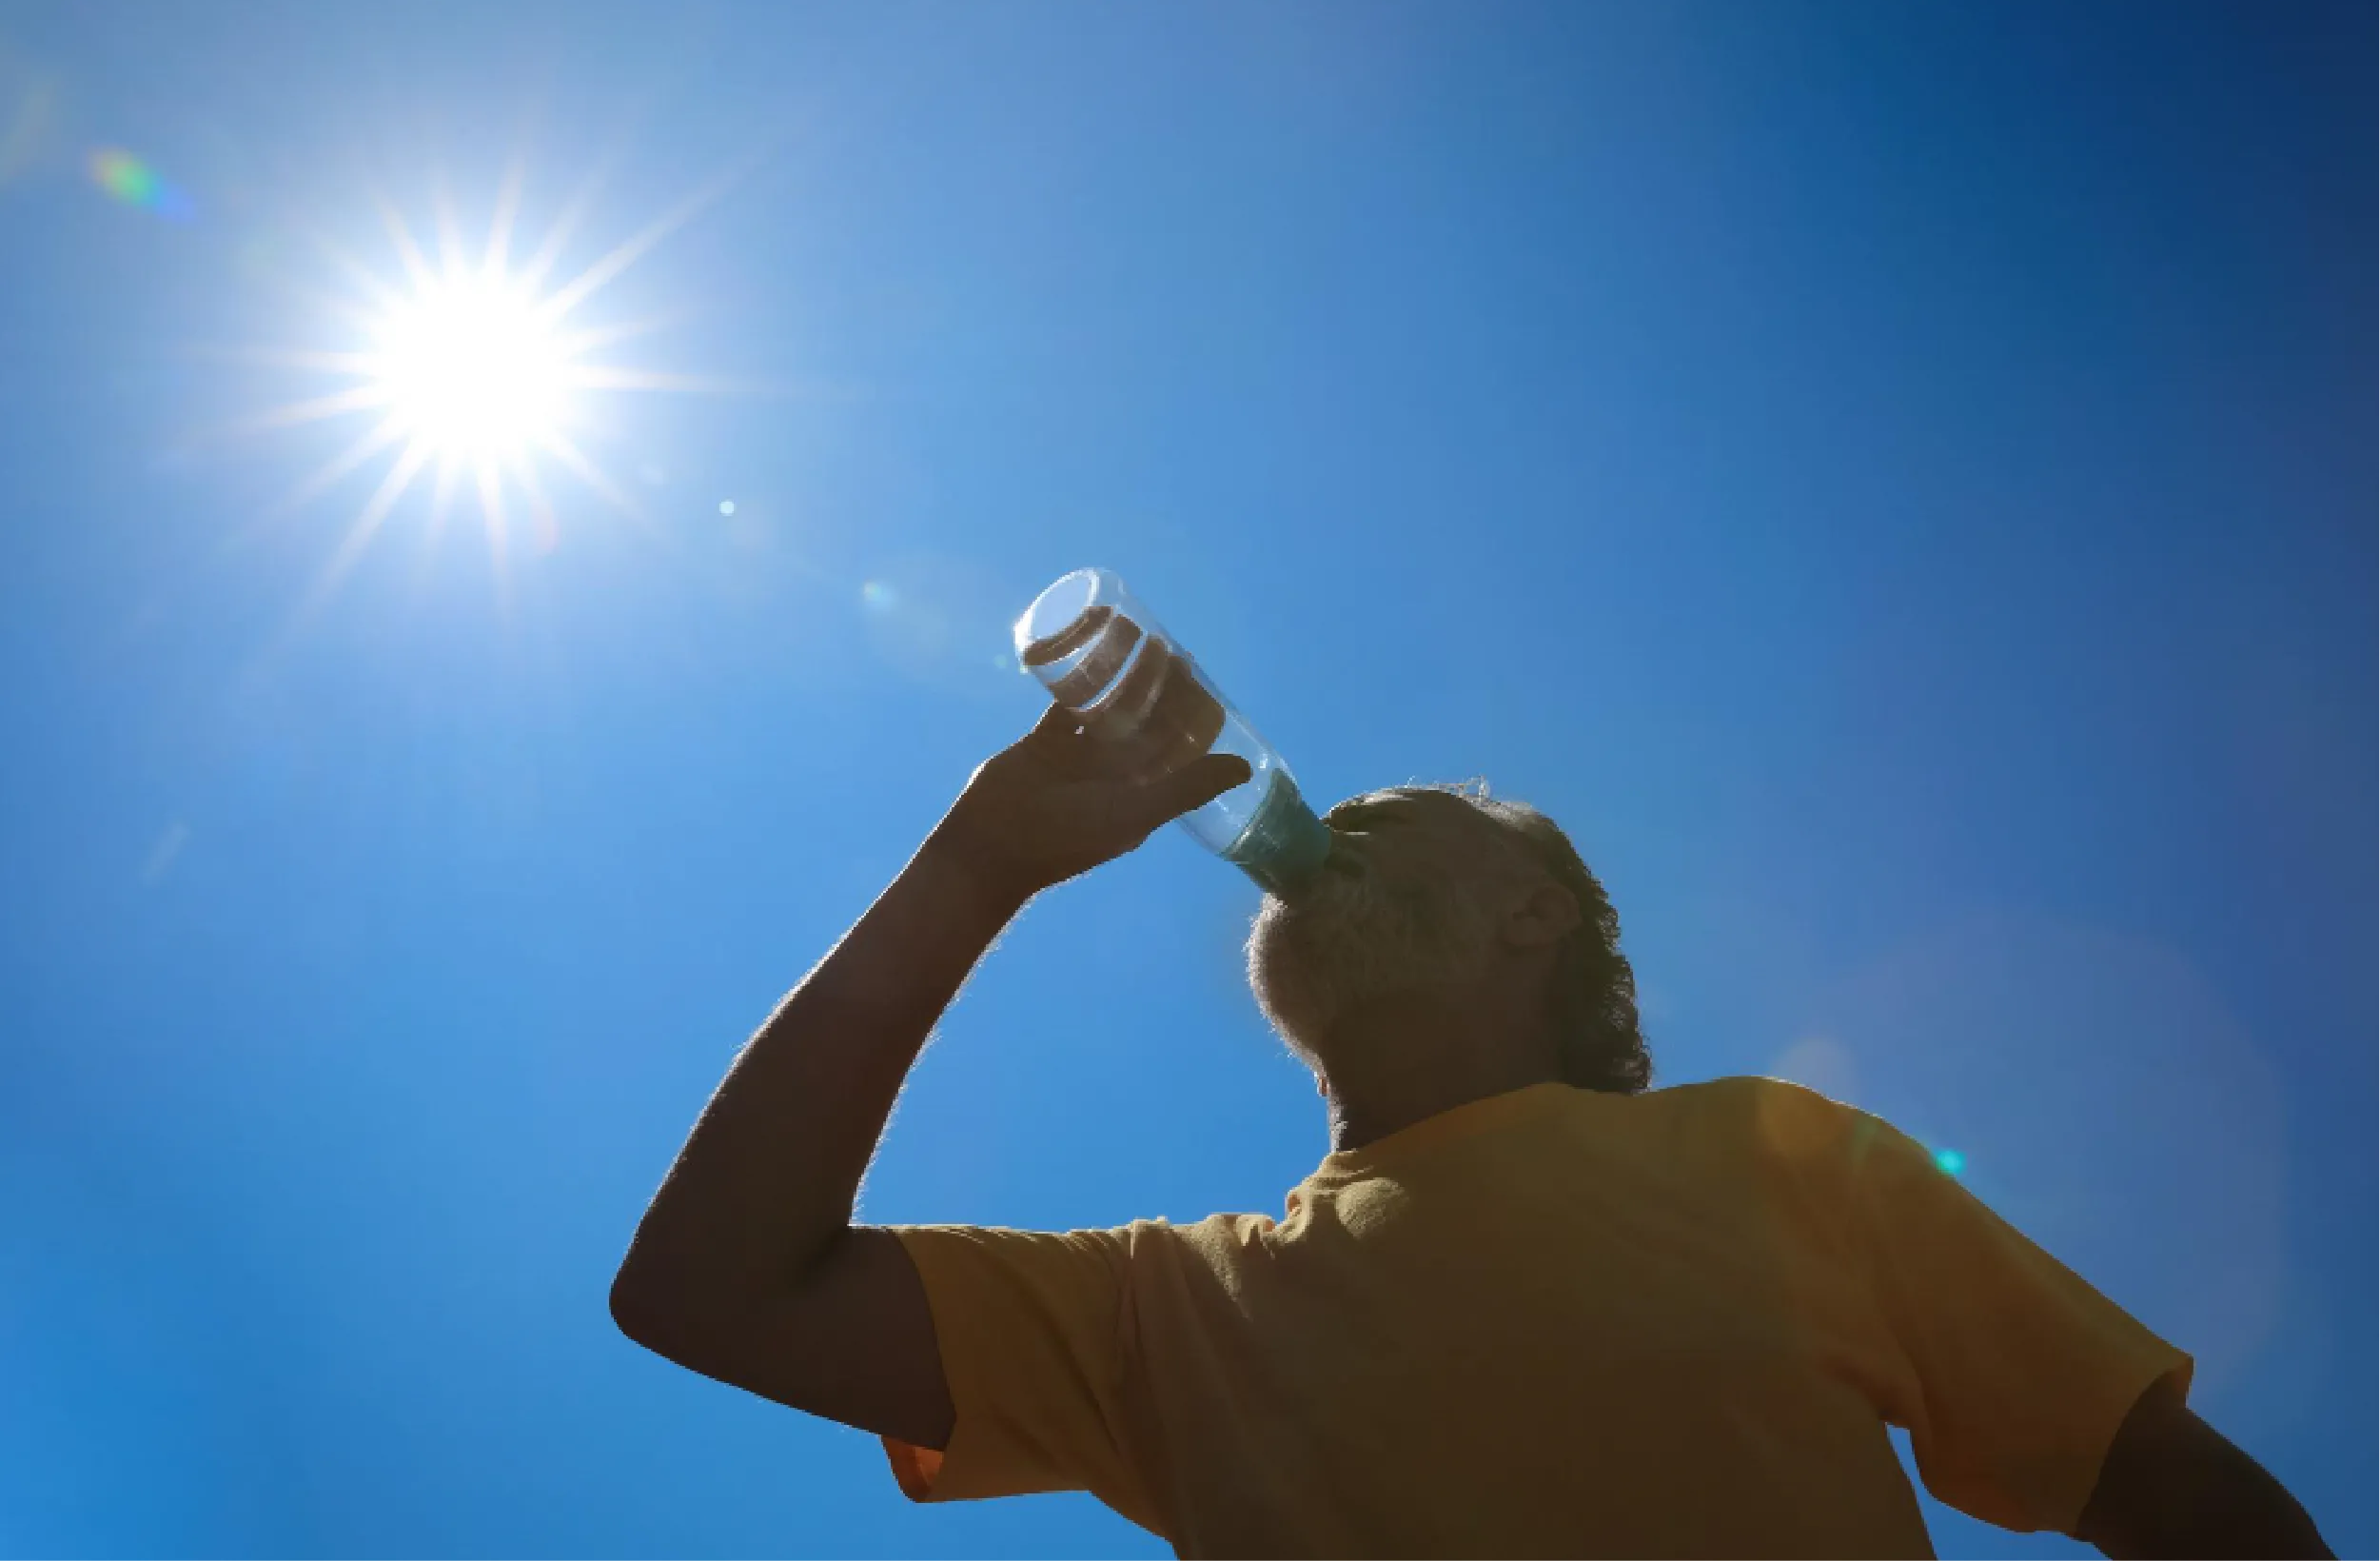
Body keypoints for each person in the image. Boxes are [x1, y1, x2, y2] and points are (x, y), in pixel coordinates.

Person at [610, 707, 2334, 1559]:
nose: (1335, 822)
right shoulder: (1173, 1307)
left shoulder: (1776, 1154)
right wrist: (977, 861)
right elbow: (706, 1288)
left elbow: (2168, 1488)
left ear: (1537, 916)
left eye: (1401, 817)